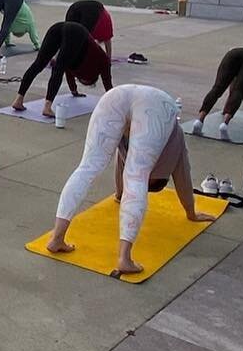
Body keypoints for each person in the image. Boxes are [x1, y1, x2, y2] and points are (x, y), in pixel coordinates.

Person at [46, 84, 216, 276]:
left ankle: (56, 238)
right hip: (158, 106)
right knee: (137, 175)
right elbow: (183, 175)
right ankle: (124, 258)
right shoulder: (175, 138)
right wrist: (191, 212)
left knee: (87, 166)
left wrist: (119, 194)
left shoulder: (155, 137)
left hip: (116, 96)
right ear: (161, 175)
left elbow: (121, 162)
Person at [10, 21, 113, 117]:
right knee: (57, 68)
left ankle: (18, 100)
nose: (79, 79)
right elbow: (107, 81)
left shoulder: (77, 65)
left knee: (38, 64)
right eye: (83, 82)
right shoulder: (102, 61)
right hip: (77, 33)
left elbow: (69, 73)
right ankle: (47, 107)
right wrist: (113, 101)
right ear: (91, 78)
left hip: (58, 28)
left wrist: (74, 90)